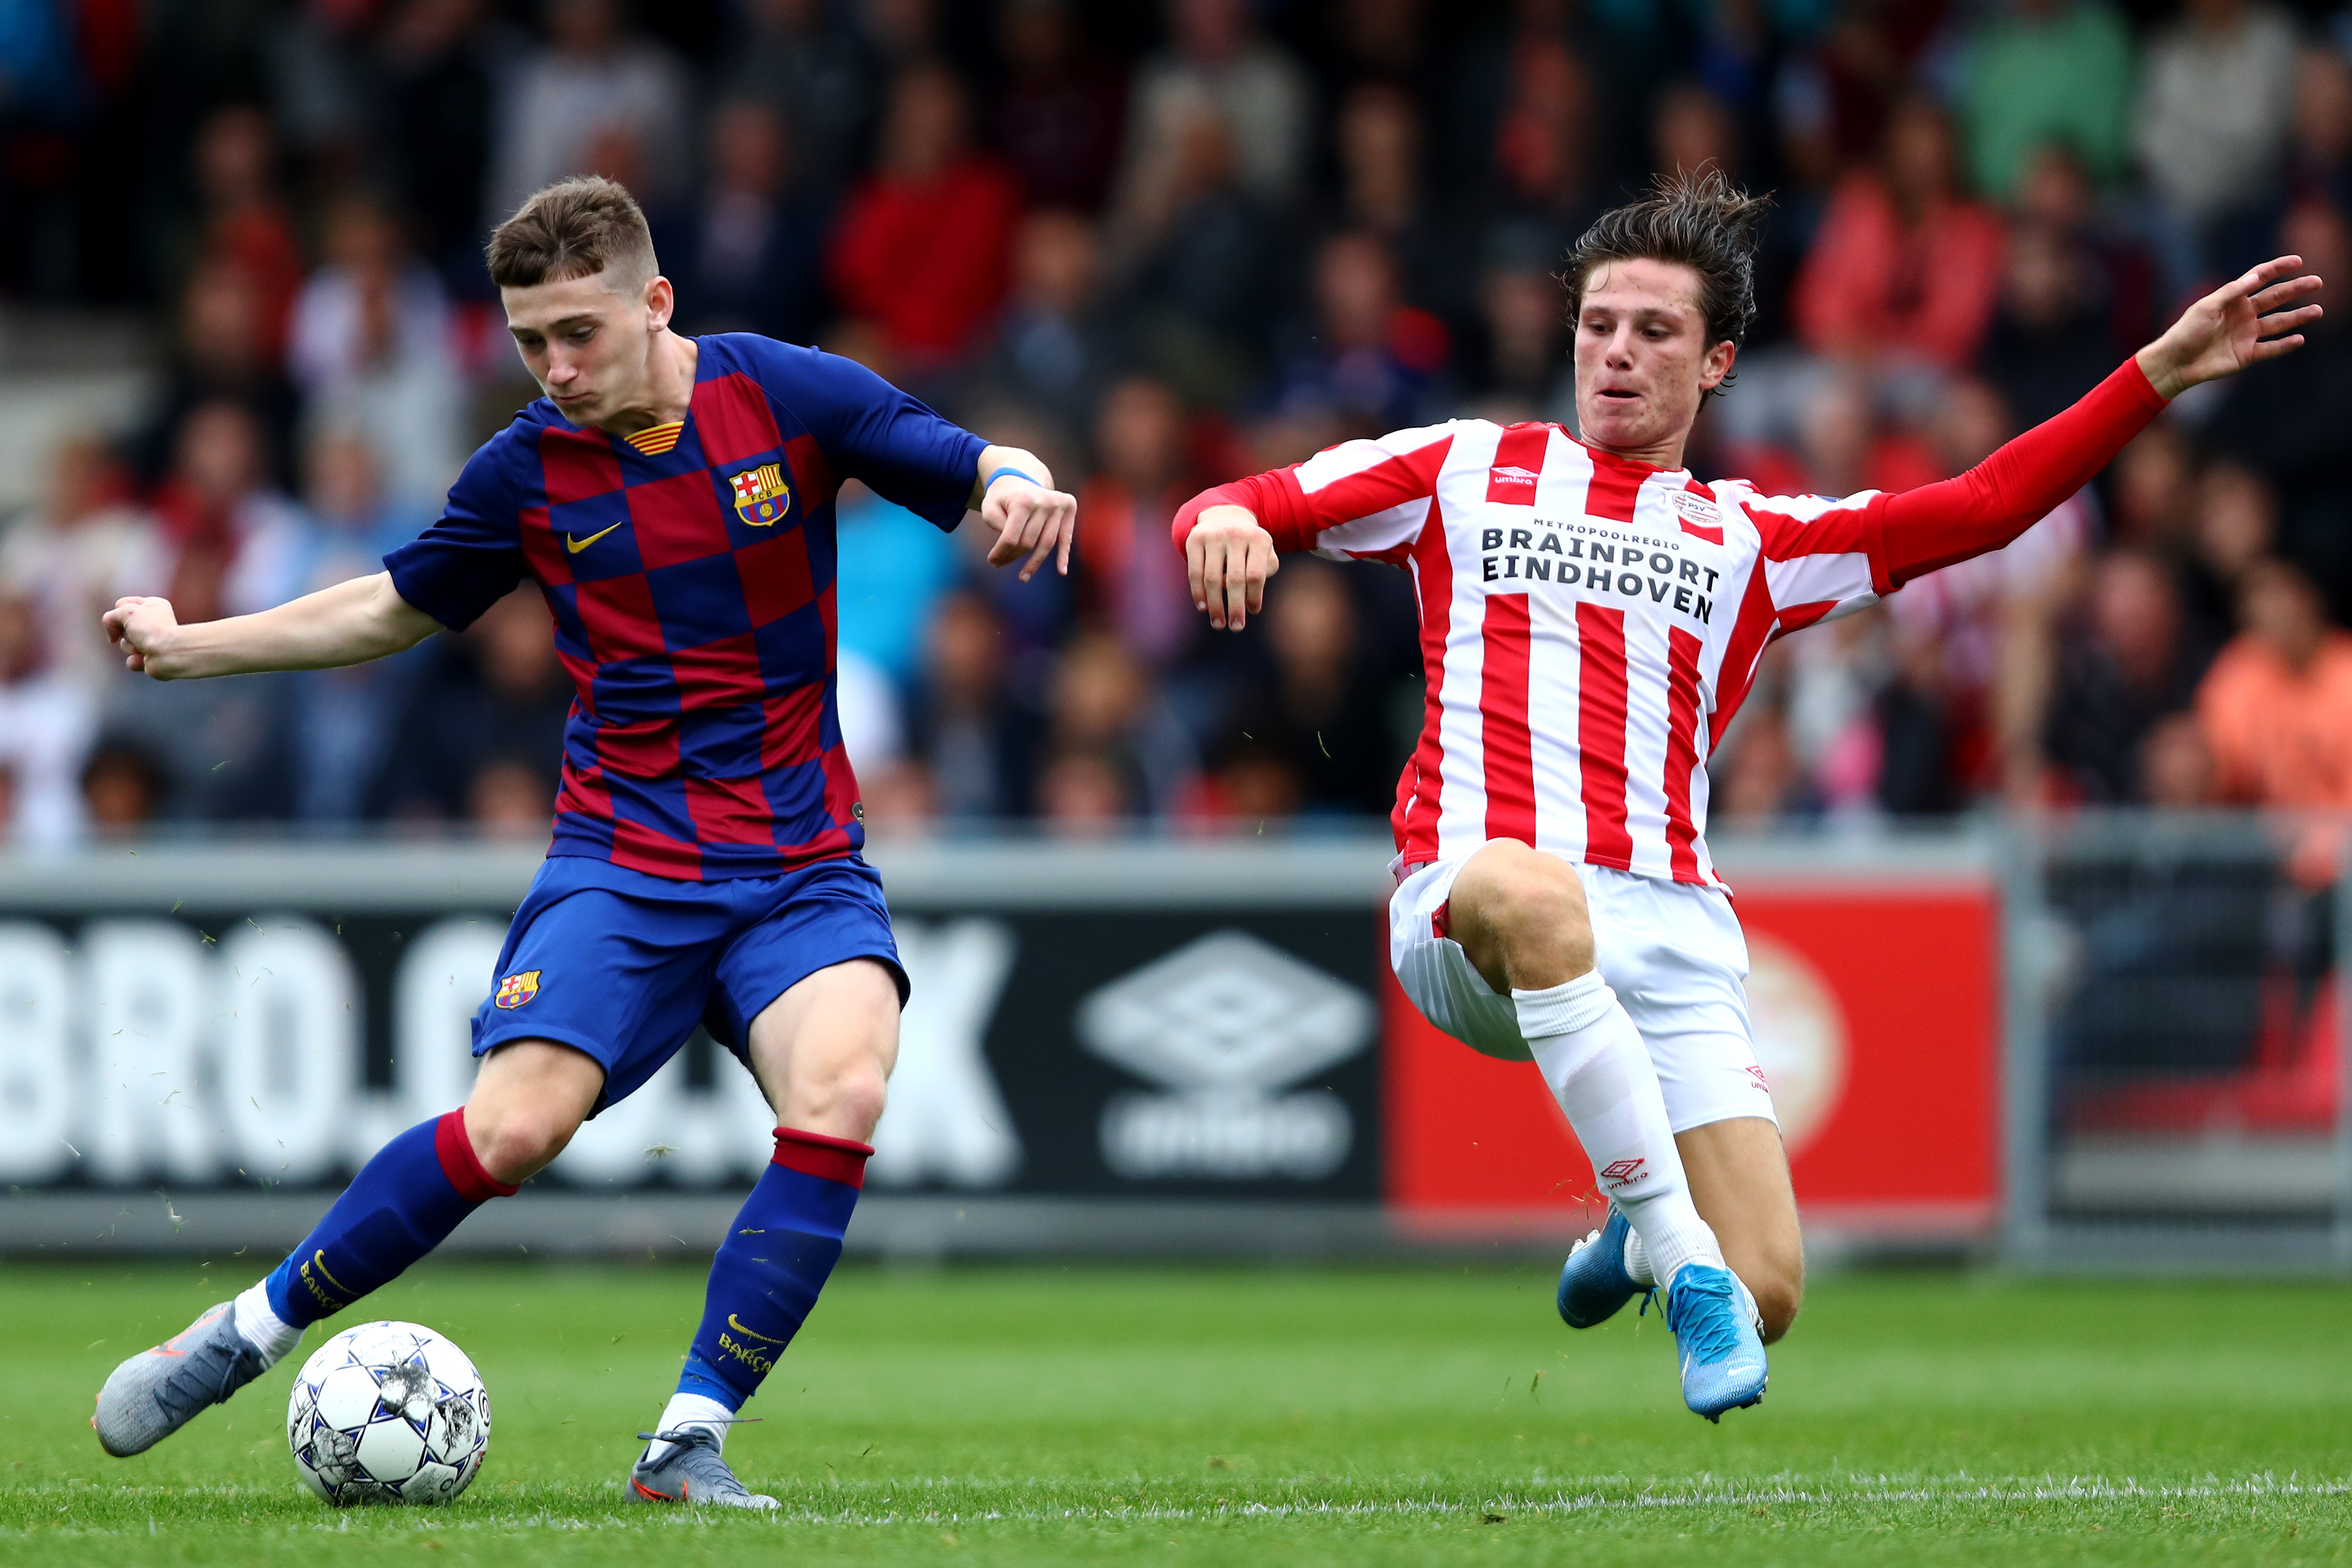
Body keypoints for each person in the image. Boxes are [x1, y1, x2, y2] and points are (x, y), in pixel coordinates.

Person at [1172, 169, 2320, 1420]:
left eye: (1655, 331)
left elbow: (1982, 510)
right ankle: (1681, 1262)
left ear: (1718, 363)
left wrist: (2156, 372)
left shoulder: (1755, 540)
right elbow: (1240, 498)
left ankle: (1640, 1236)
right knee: (1537, 902)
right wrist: (1219, 521)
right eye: (1598, 325)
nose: (1617, 352)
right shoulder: (1462, 465)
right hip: (1473, 904)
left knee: (1769, 1287)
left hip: (1666, 926)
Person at [90, 175, 1077, 1506]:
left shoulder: (783, 393)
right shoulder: (526, 470)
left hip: (800, 868)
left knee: (843, 1092)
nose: (554, 368)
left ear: (655, 302)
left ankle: (688, 1441)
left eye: (578, 333)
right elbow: (393, 607)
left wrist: (1021, 483)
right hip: (626, 862)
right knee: (513, 1132)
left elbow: (968, 459)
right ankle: (244, 1332)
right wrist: (193, 647)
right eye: (529, 341)